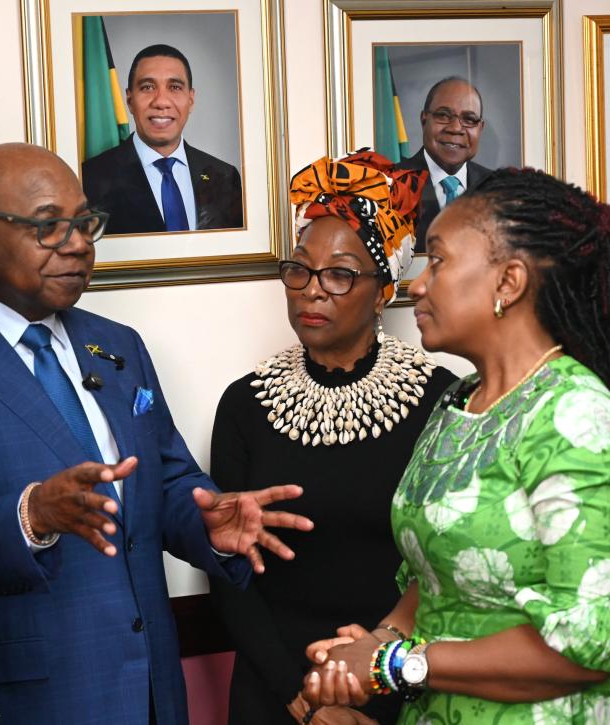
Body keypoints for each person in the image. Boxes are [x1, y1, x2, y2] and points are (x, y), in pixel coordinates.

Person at [0, 142, 311, 725]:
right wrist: (31, 517)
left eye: (85, 223)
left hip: (154, 692)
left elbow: (166, 478)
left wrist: (208, 522)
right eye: (48, 227)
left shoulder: (117, 346)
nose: (78, 244)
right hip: (30, 700)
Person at [296, 168, 610, 724]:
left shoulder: (573, 414)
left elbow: (588, 645)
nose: (418, 284)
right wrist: (370, 646)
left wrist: (395, 664)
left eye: (438, 261)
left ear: (508, 282)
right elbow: (435, 579)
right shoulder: (458, 403)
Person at [209, 151, 457, 725]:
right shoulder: (246, 404)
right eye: (299, 269)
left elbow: (446, 565)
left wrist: (378, 673)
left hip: (400, 679)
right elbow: (226, 571)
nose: (312, 290)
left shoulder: (440, 398)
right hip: (275, 694)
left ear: (382, 292)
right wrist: (302, 699)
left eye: (340, 273)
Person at [82, 44, 243, 234]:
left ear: (190, 100)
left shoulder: (225, 177)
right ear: (129, 99)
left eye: (174, 87)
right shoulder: (89, 179)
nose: (161, 102)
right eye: (147, 87)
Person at [397, 77, 491, 253]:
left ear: (480, 128)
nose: (455, 128)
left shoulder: (497, 189)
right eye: (443, 115)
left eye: (469, 119)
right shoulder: (390, 184)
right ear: (424, 120)